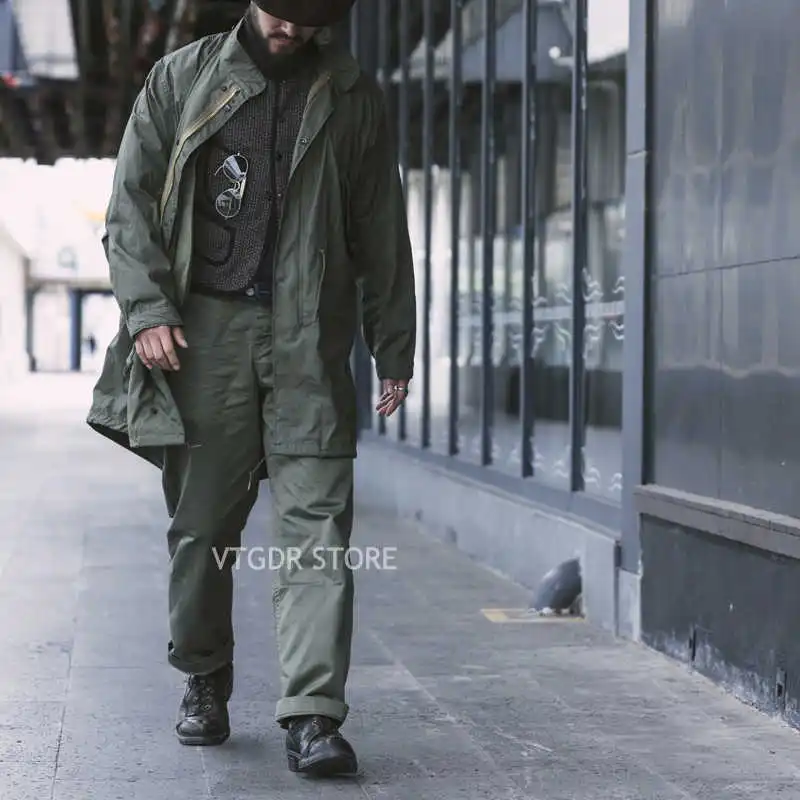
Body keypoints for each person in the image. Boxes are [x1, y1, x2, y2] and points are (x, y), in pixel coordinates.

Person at [86, 0, 416, 778]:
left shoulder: (351, 94)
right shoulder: (182, 78)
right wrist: (148, 310)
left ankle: (313, 714)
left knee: (319, 528)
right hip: (207, 336)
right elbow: (130, 205)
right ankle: (203, 672)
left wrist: (393, 343)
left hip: (311, 338)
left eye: (309, 21)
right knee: (203, 531)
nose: (290, 31)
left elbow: (381, 224)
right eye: (281, 14)